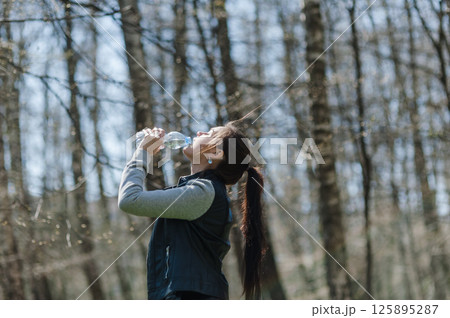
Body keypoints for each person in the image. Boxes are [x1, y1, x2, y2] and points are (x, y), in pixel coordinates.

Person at [118, 120, 267, 300]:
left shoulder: (203, 193)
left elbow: (129, 199)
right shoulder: (201, 191)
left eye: (209, 134)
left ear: (215, 152)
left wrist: (143, 153)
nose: (198, 133)